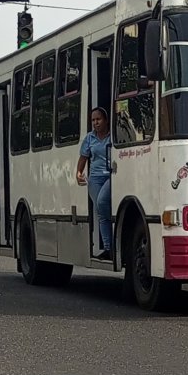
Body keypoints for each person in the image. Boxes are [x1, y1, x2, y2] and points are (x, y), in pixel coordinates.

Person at [76, 107, 113, 260]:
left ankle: (115, 244)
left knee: (102, 202)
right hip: (95, 179)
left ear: (106, 120)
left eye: (98, 119)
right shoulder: (89, 138)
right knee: (101, 212)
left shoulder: (113, 136)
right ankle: (108, 248)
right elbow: (83, 158)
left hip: (111, 176)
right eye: (93, 120)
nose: (96, 123)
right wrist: (79, 173)